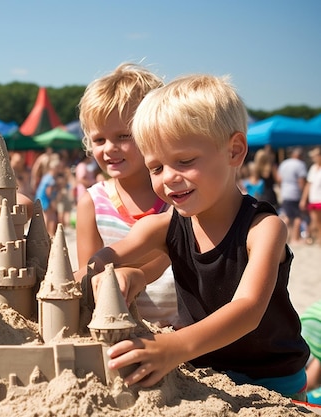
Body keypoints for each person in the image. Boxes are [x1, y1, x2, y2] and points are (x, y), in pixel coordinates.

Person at [82, 74, 309, 399]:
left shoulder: (262, 228)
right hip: (205, 369)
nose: (169, 178)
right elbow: (113, 253)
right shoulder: (167, 225)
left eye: (184, 161)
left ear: (234, 151)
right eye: (156, 168)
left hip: (271, 378)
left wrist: (176, 345)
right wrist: (95, 271)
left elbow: (248, 309)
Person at [75, 62, 178, 328]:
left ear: (155, 131)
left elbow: (173, 255)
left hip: (185, 332)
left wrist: (138, 273)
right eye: (99, 140)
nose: (109, 149)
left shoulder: (179, 196)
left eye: (123, 136)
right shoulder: (93, 203)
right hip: (125, 331)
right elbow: (91, 278)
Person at [277, 146, 308, 244]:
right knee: (298, 217)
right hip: (295, 193)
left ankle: (284, 238)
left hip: (285, 193)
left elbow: (279, 179)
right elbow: (301, 182)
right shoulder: (300, 164)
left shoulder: (284, 164)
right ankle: (295, 238)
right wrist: (305, 195)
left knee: (287, 216)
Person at [300, 146, 321, 245]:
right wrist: (304, 199)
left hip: (319, 198)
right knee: (314, 221)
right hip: (314, 199)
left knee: (318, 221)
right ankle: (317, 238)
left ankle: (318, 239)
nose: (314, 158)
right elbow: (308, 185)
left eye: (316, 156)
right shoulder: (313, 168)